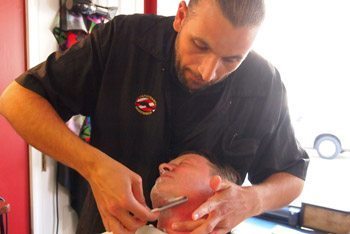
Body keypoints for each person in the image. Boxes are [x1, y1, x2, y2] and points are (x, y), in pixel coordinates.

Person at [0, 0, 309, 233]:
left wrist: (251, 200)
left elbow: (292, 176)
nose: (208, 72)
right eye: (200, 46)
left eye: (231, 60)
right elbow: (16, 100)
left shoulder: (263, 83)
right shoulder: (124, 40)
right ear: (181, 16)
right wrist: (92, 166)